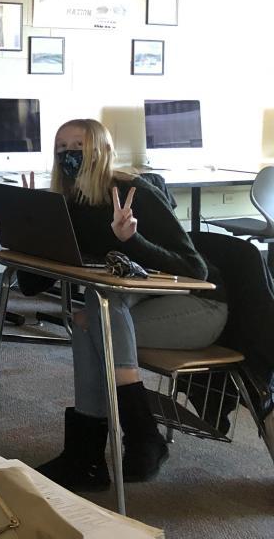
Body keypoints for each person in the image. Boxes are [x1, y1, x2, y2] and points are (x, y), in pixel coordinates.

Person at [31, 119, 227, 491]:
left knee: (98, 311)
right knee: (94, 308)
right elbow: (31, 286)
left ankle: (116, 445)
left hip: (201, 309)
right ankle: (99, 454)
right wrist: (33, 225)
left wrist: (131, 239)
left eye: (79, 146)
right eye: (61, 148)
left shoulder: (134, 193)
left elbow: (195, 270)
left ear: (102, 151)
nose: (68, 155)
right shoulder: (69, 203)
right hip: (139, 308)